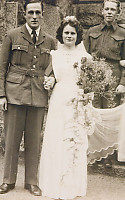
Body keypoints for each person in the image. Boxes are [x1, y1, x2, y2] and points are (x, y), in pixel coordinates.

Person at [0, 0, 56, 195]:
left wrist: (51, 80)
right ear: (25, 14)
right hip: (14, 94)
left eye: (38, 12)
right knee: (12, 140)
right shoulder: (12, 35)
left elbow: (55, 68)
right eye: (31, 12)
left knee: (34, 141)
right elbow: (2, 67)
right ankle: (8, 180)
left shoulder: (50, 41)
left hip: (38, 95)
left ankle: (32, 181)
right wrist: (0, 95)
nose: (34, 16)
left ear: (43, 14)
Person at [39, 16, 92, 200]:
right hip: (59, 99)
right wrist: (50, 81)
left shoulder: (86, 57)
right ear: (61, 34)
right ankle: (54, 182)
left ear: (78, 36)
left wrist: (86, 97)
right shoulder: (55, 55)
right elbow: (52, 75)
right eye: (66, 33)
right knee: (57, 137)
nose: (69, 36)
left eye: (72, 33)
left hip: (76, 100)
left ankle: (72, 184)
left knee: (74, 139)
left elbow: (88, 83)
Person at [83, 0, 125, 167]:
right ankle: (93, 154)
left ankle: (107, 156)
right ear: (102, 11)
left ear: (118, 13)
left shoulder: (123, 33)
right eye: (106, 9)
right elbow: (84, 58)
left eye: (112, 10)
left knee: (109, 115)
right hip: (94, 78)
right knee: (92, 114)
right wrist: (84, 83)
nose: (109, 12)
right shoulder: (91, 32)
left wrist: (123, 82)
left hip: (113, 79)